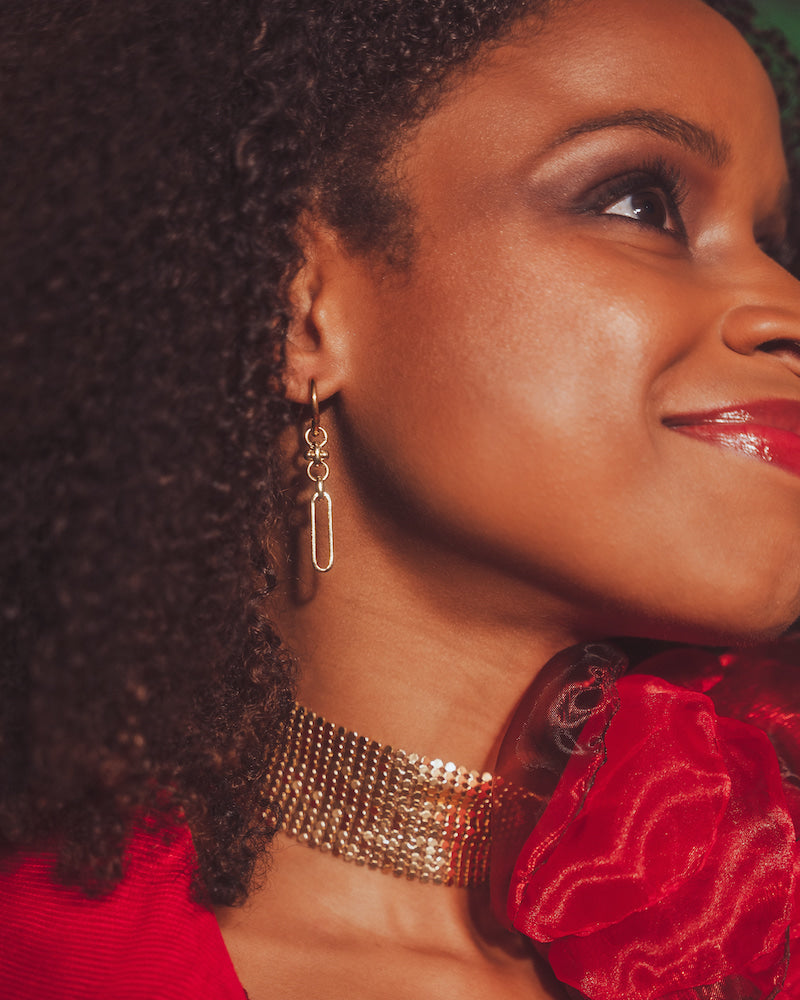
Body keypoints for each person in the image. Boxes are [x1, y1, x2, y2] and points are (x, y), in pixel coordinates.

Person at [3, 0, 800, 997]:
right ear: (299, 305)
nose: (784, 308)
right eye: (639, 203)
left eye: (773, 240)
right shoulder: (46, 961)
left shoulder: (762, 928)